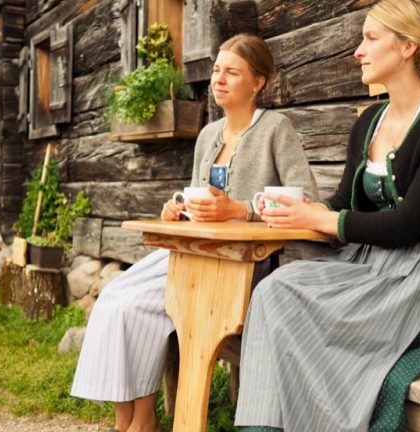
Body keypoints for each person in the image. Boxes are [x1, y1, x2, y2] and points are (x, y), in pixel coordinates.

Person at [234, 1, 420, 431]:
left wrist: (321, 220)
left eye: (371, 38)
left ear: (408, 46)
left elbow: (409, 224)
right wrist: (303, 212)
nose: (358, 50)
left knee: (293, 306)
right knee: (275, 290)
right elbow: (344, 203)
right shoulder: (370, 121)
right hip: (376, 269)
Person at [70, 33, 318, 432]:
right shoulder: (208, 135)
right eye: (217, 70)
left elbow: (306, 200)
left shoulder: (275, 128)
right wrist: (179, 210)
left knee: (136, 306)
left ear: (257, 83)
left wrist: (242, 210)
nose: (218, 79)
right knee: (114, 297)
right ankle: (127, 420)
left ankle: (145, 420)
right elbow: (198, 198)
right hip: (194, 251)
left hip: (243, 265)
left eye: (231, 72)